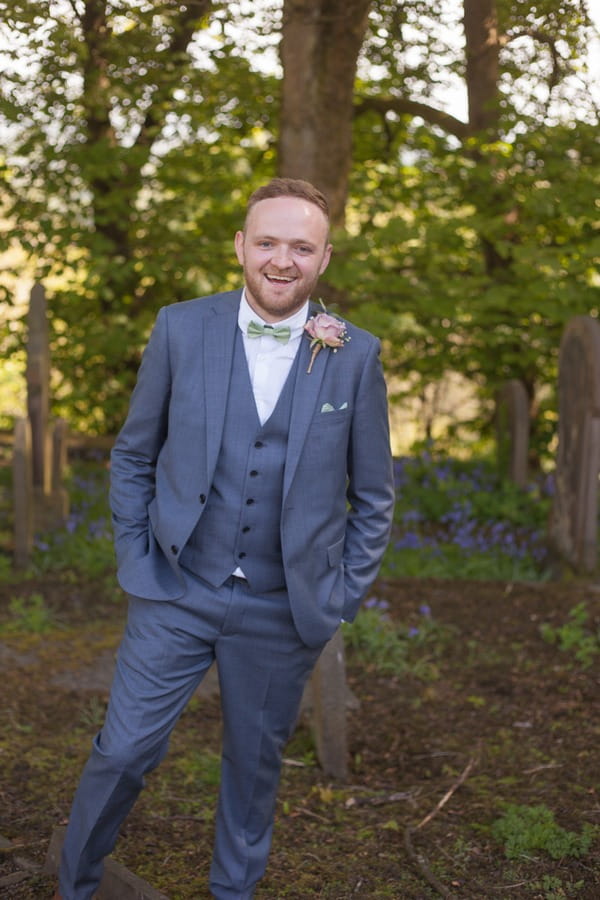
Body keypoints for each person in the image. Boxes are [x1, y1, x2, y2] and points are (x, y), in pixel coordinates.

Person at [53, 177, 395, 900]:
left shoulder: (355, 355)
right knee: (123, 751)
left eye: (300, 247)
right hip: (175, 588)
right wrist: (136, 556)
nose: (281, 260)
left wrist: (336, 597)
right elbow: (134, 455)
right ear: (241, 245)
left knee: (253, 769)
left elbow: (373, 496)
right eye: (267, 241)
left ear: (324, 260)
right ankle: (75, 885)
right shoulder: (183, 327)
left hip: (283, 607)